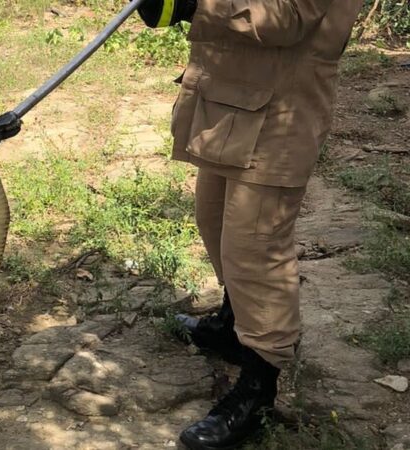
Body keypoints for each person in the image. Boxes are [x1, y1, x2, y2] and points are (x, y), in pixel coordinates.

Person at [134, 0, 363, 448]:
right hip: (235, 95)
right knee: (215, 220)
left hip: (284, 104)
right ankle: (232, 324)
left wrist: (195, 3)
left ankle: (258, 387)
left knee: (255, 246)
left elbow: (288, 16)